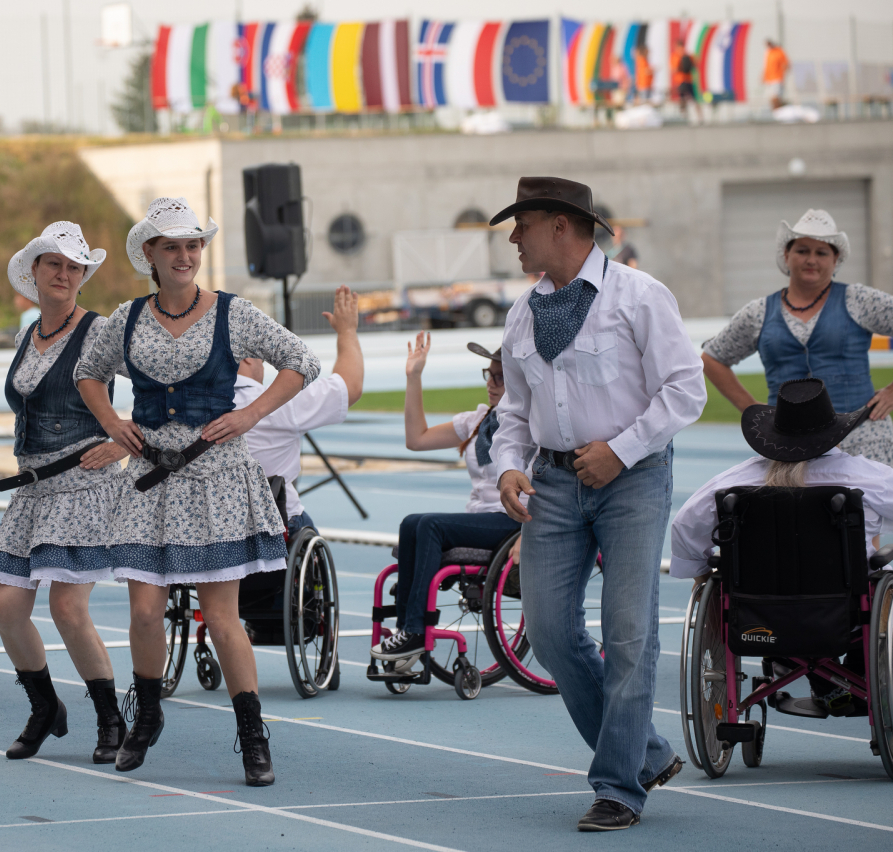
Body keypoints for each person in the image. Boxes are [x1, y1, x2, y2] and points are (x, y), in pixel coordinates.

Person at [76, 197, 320, 787]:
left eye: (193, 245)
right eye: (172, 247)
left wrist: (251, 413)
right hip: (150, 481)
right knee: (144, 612)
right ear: (150, 255)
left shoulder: (234, 314)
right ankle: (148, 714)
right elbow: (87, 372)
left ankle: (252, 734)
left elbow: (301, 360)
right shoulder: (126, 319)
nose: (184, 256)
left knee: (222, 617)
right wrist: (111, 422)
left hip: (216, 479)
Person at [490, 177, 706, 831]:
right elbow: (514, 411)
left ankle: (617, 787)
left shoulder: (639, 295)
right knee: (548, 633)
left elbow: (685, 389)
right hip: (553, 485)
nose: (513, 237)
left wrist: (622, 449)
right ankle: (645, 753)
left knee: (629, 634)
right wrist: (507, 466)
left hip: (632, 479)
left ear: (560, 225)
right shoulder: (523, 313)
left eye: (522, 224)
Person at [0, 222, 130, 763]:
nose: (64, 274)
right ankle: (45, 707)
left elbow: (163, 386)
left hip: (83, 486)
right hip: (31, 490)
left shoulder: (100, 331)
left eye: (75, 267)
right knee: (5, 606)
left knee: (67, 607)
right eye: (55, 264)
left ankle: (111, 718)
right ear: (36, 270)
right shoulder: (28, 335)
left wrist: (123, 441)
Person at [671, 377, 892, 715]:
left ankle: (799, 665)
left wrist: (701, 572)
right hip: (848, 610)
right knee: (878, 576)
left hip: (757, 611)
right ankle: (852, 680)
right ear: (835, 434)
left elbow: (685, 524)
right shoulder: (866, 477)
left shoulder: (737, 481)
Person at [370, 336, 524, 662]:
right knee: (410, 523)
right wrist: (414, 377)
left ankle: (415, 631)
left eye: (500, 377)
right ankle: (406, 631)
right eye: (489, 375)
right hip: (481, 519)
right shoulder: (477, 420)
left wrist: (531, 532)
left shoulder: (529, 425)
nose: (491, 383)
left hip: (511, 521)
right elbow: (416, 439)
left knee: (430, 525)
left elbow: (546, 481)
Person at [702, 209, 893, 468]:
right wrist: (751, 408)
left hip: (864, 441)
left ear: (835, 259)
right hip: (789, 448)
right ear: (786, 255)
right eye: (802, 251)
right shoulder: (758, 312)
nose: (811, 260)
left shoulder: (860, 300)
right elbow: (712, 359)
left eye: (821, 253)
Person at [234, 284, 364, 538]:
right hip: (274, 525)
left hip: (213, 527)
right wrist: (347, 331)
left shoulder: (192, 402)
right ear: (248, 357)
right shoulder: (278, 402)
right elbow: (350, 387)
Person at [674, 40, 702, 123]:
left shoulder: (681, 56)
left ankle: (695, 117)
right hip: (684, 80)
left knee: (686, 99)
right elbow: (696, 64)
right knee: (687, 99)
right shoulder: (685, 56)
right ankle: (693, 117)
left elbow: (674, 69)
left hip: (685, 80)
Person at [763, 39, 790, 110]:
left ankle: (779, 110)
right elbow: (766, 66)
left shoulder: (779, 51)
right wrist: (764, 76)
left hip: (777, 78)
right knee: (771, 98)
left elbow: (786, 64)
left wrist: (784, 72)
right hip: (769, 79)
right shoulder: (768, 52)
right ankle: (776, 111)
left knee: (776, 97)